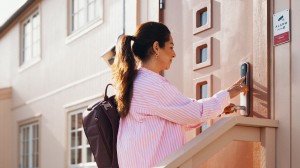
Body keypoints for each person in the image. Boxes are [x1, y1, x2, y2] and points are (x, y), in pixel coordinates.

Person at [112, 22, 248, 168]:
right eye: (171, 47)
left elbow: (181, 116)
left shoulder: (137, 81)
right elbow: (195, 112)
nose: (174, 54)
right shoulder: (151, 85)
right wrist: (228, 93)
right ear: (156, 47)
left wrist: (220, 108)